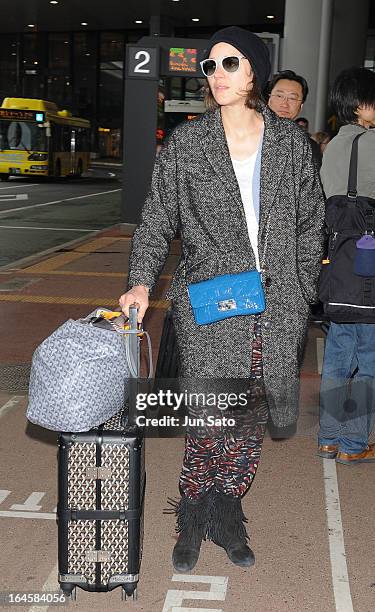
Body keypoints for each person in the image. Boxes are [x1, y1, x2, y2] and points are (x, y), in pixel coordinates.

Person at [119, 26, 325, 572]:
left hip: (277, 303)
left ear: (254, 70)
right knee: (213, 412)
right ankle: (192, 509)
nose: (216, 76)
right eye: (209, 67)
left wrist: (300, 289)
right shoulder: (187, 144)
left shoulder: (290, 143)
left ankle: (226, 509)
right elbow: (157, 219)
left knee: (251, 414)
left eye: (228, 64)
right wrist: (141, 279)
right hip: (213, 299)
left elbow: (311, 223)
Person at [318, 66, 375, 464]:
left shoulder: (334, 145)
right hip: (369, 269)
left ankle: (328, 437)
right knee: (369, 358)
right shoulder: (373, 144)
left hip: (339, 265)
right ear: (360, 104)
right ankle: (354, 445)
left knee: (339, 353)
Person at [266, 70, 322, 167]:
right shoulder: (249, 137)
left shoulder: (308, 147)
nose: (284, 104)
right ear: (269, 99)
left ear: (301, 106)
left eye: (292, 98)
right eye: (279, 96)